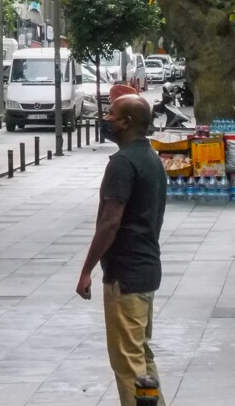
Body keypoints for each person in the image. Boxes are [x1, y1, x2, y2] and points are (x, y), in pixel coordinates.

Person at [76, 94, 167, 406]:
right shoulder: (151, 158)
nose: (106, 118)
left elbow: (109, 223)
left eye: (111, 114)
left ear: (127, 122)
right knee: (141, 355)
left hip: (125, 275)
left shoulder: (123, 163)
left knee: (128, 363)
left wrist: (87, 269)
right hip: (146, 269)